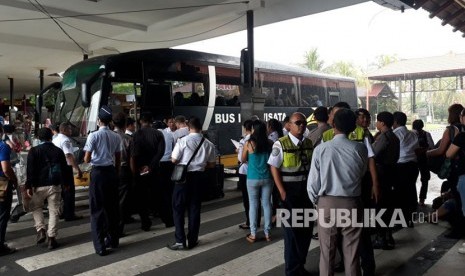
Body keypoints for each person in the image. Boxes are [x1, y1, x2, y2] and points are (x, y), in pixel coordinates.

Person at [308, 108, 368, 276]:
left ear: (333, 124)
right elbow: (361, 173)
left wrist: (318, 202)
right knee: (352, 253)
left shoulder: (321, 149)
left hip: (326, 203)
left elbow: (312, 183)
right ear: (353, 126)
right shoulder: (360, 149)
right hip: (352, 203)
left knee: (327, 253)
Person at [268, 112, 314, 276]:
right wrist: (281, 191)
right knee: (292, 233)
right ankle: (292, 270)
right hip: (289, 194)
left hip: (306, 193)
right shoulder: (280, 144)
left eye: (303, 123)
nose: (301, 125)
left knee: (305, 231)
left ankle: (300, 265)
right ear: (289, 125)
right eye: (298, 123)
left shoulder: (309, 143)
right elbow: (273, 167)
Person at [168, 116, 216, 250]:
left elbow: (174, 160)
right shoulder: (208, 143)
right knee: (194, 209)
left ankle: (180, 241)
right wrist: (200, 165)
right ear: (201, 128)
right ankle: (192, 240)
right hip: (199, 178)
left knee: (178, 208)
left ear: (189, 127)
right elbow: (212, 164)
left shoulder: (182, 141)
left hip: (183, 178)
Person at [83, 105, 122, 256]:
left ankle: (100, 246)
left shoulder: (93, 136)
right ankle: (114, 240)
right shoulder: (116, 136)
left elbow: (87, 158)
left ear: (99, 120)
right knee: (112, 208)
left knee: (97, 210)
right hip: (111, 173)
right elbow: (118, 159)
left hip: (98, 173)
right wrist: (115, 173)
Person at [26, 127, 68, 250]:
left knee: (36, 207)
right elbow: (64, 169)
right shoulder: (58, 151)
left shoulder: (33, 151)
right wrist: (65, 183)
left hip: (38, 186)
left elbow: (30, 170)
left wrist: (29, 185)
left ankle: (41, 230)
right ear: (51, 137)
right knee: (54, 210)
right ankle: (52, 238)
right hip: (54, 185)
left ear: (39, 138)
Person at [130, 113, 166, 231]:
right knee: (159, 195)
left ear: (140, 121)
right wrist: (150, 166)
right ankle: (167, 219)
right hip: (155, 169)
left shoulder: (135, 136)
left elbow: (133, 155)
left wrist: (138, 169)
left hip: (140, 171)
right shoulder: (158, 134)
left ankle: (145, 222)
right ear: (152, 121)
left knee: (142, 197)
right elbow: (161, 152)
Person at [372, 111, 400, 250]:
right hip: (392, 173)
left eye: (377, 121)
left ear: (382, 123)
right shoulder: (395, 137)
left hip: (382, 174)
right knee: (389, 206)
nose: (376, 124)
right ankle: (388, 236)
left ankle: (381, 238)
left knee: (380, 206)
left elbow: (374, 154)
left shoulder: (384, 137)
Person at [242, 120, 273, 243]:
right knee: (267, 204)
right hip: (267, 177)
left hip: (252, 178)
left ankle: (253, 234)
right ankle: (267, 233)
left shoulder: (249, 143)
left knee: (253, 205)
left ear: (253, 130)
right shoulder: (270, 143)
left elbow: (243, 159)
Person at [393, 111, 419, 227]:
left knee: (400, 193)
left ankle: (400, 219)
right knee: (411, 191)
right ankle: (411, 218)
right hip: (413, 166)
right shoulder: (413, 134)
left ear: (395, 122)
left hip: (401, 166)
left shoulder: (395, 134)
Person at [53, 122, 83, 221]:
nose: (71, 131)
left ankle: (62, 212)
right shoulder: (66, 140)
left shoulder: (56, 139)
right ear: (64, 130)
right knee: (69, 192)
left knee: (61, 191)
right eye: (69, 129)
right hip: (65, 168)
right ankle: (69, 214)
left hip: (57, 169)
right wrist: (77, 169)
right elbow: (69, 155)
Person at [112, 112, 134, 236]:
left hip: (109, 170)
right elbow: (131, 159)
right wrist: (133, 173)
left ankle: (110, 227)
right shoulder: (128, 139)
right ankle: (118, 228)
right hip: (124, 170)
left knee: (110, 198)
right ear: (125, 124)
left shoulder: (108, 136)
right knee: (122, 200)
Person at [237, 119, 260, 230]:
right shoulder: (261, 140)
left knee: (248, 199)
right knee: (259, 199)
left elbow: (242, 158)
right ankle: (258, 220)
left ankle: (250, 222)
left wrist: (239, 151)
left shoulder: (245, 141)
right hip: (258, 173)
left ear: (246, 129)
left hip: (246, 172)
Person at [153, 120, 175, 228]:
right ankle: (170, 211)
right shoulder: (170, 135)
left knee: (159, 190)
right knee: (169, 189)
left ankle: (159, 211)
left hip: (158, 164)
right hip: (169, 164)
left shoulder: (154, 135)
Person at [0, 124, 18, 256]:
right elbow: (6, 168)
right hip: (1, 184)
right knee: (2, 215)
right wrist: (15, 180)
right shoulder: (2, 146)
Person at [412, 119, 434, 206]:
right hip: (424, 160)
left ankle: (413, 199)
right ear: (422, 126)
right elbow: (432, 146)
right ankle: (422, 200)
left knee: (412, 180)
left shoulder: (410, 134)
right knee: (425, 180)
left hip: (413, 160)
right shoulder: (426, 134)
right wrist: (425, 149)